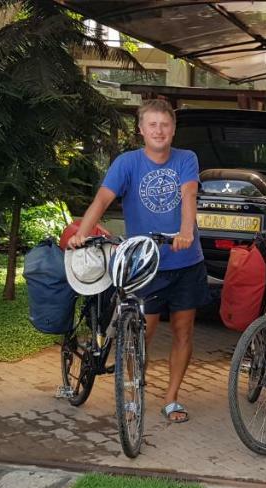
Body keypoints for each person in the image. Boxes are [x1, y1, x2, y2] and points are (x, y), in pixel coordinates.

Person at [69, 99, 203, 424]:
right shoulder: (127, 163)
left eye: (165, 125)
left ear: (173, 129)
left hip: (186, 260)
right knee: (141, 333)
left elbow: (188, 195)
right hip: (146, 264)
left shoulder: (186, 159)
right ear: (141, 130)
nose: (159, 130)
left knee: (184, 331)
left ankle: (171, 398)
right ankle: (133, 391)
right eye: (152, 125)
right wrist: (82, 233)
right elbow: (103, 198)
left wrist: (185, 232)